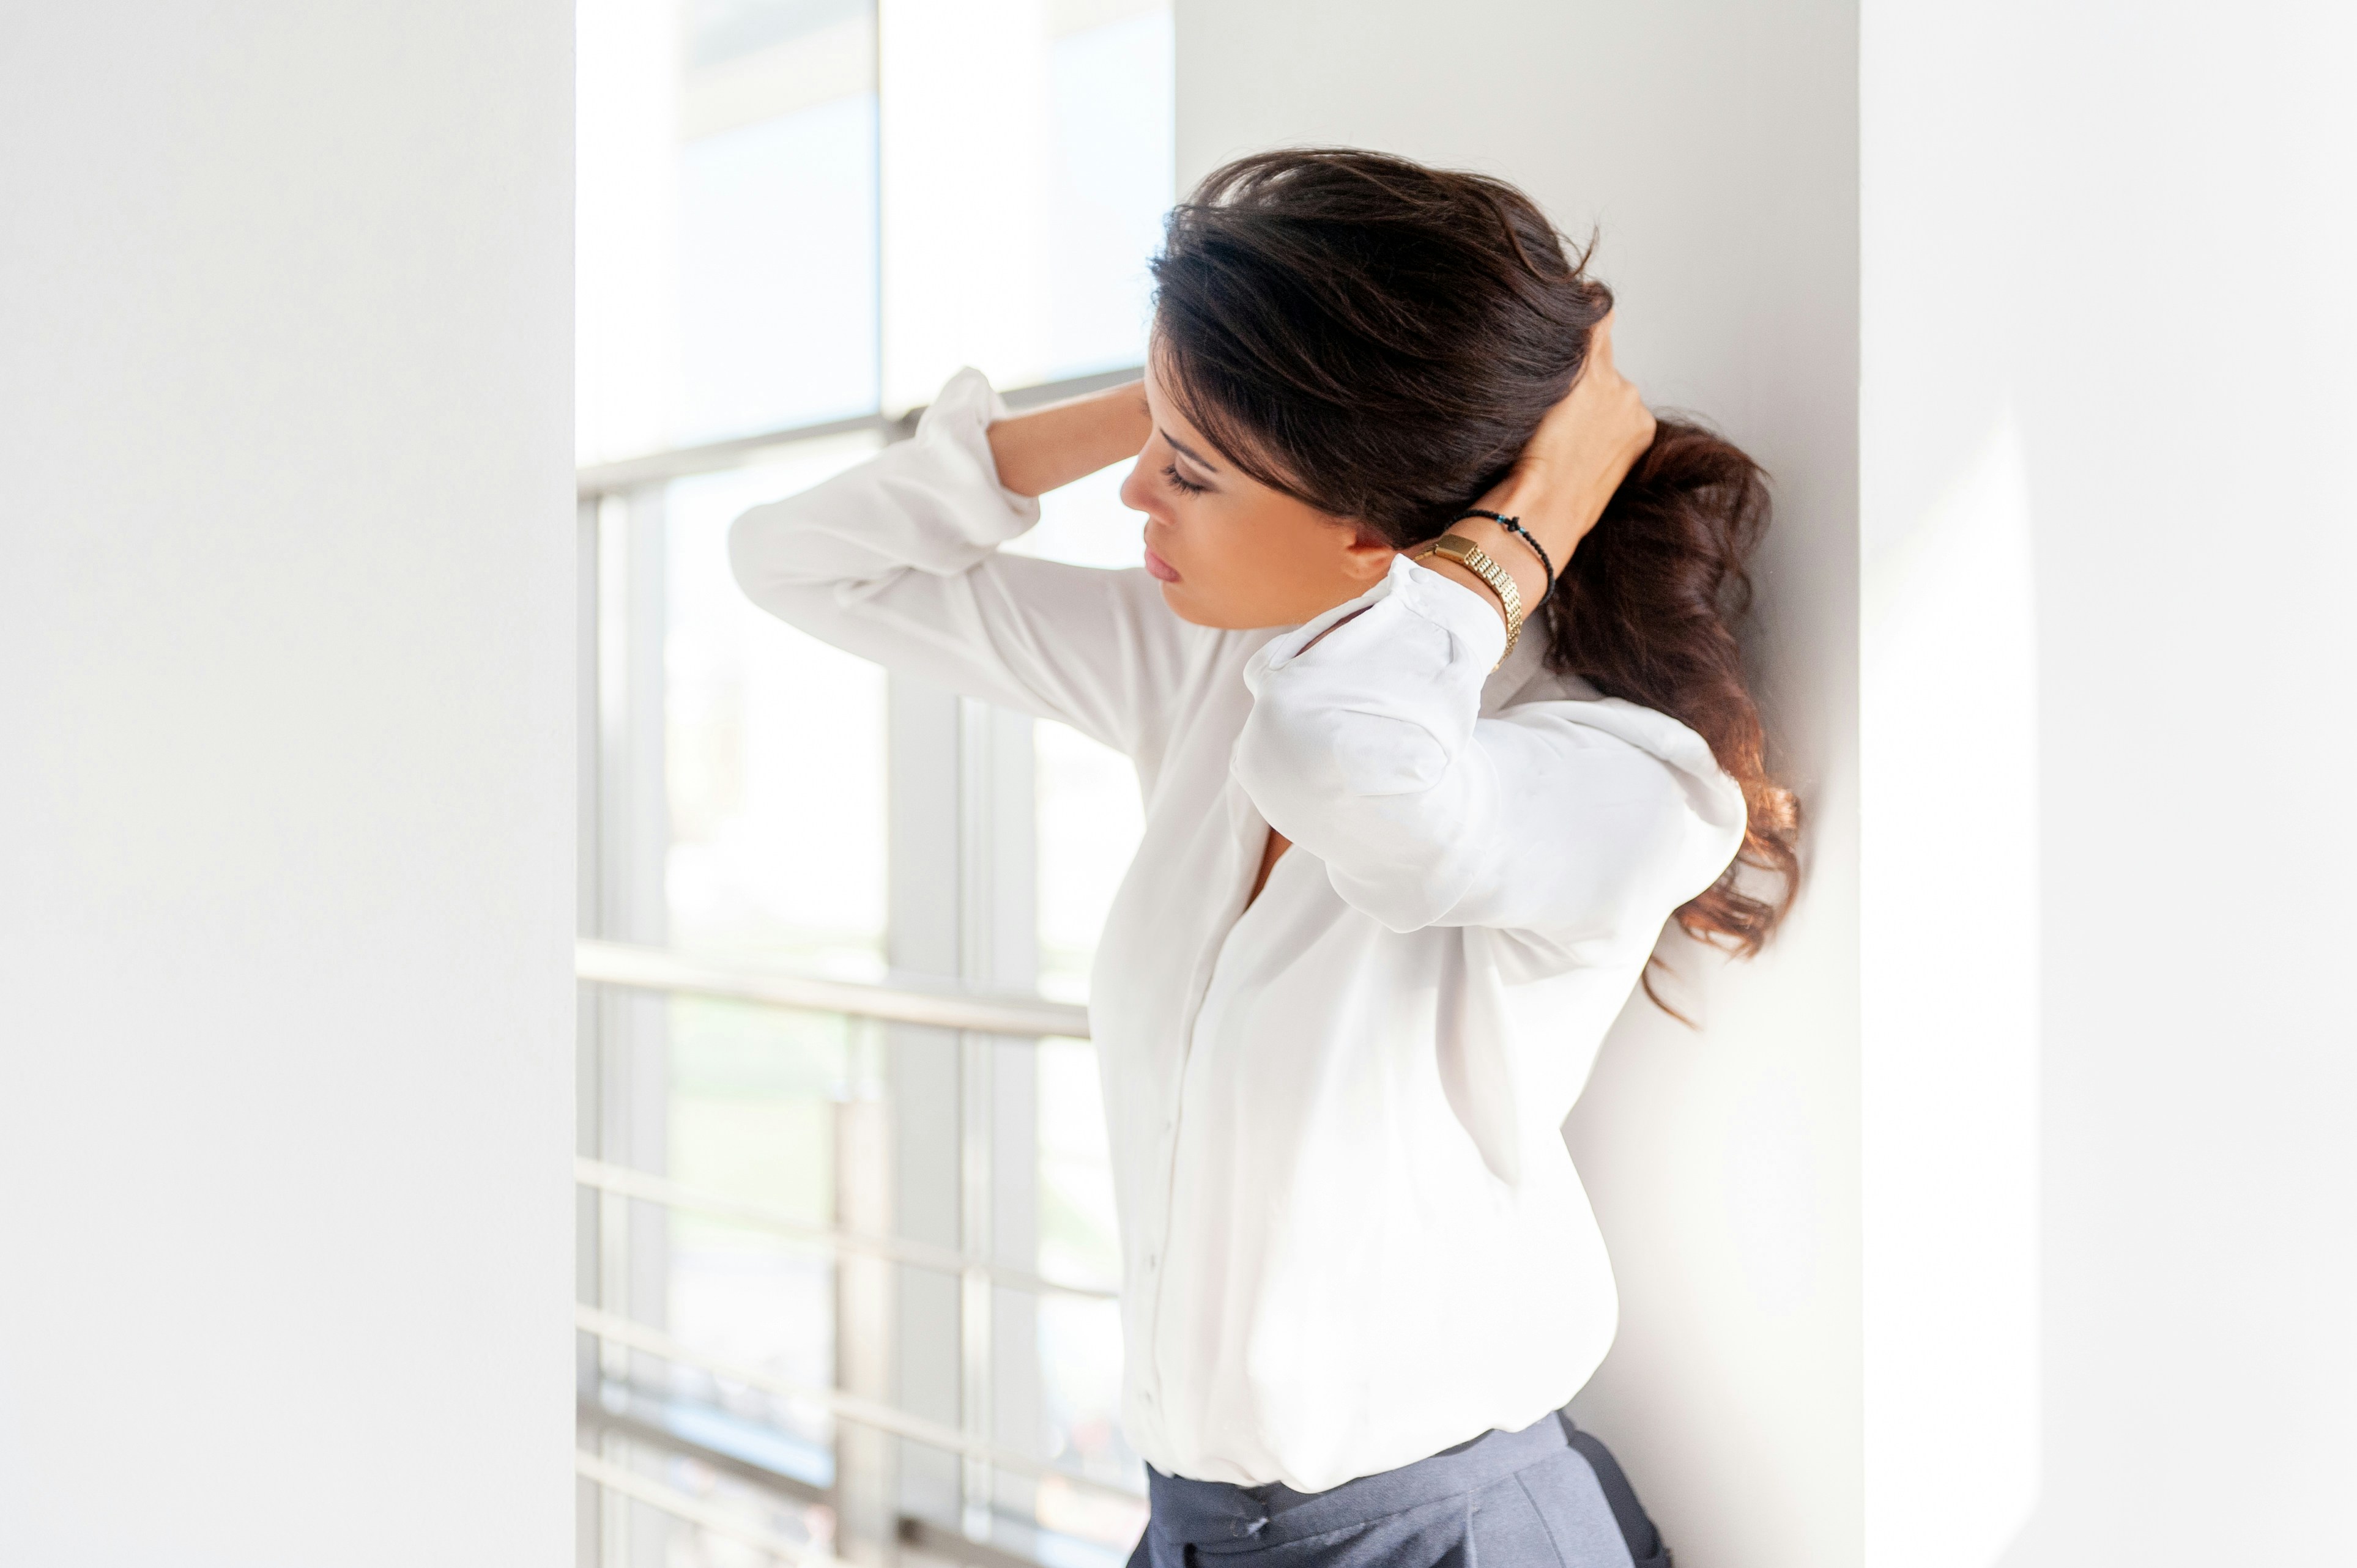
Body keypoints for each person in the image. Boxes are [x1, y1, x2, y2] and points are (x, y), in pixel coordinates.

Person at [730, 148, 1799, 1568]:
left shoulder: (1618, 775)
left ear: (1379, 535)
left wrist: (1517, 523)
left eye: (1187, 471)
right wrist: (1195, 388)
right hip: (1192, 1531)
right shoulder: (1211, 673)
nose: (1132, 498)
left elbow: (1364, 780)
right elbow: (798, 563)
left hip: (1450, 1539)